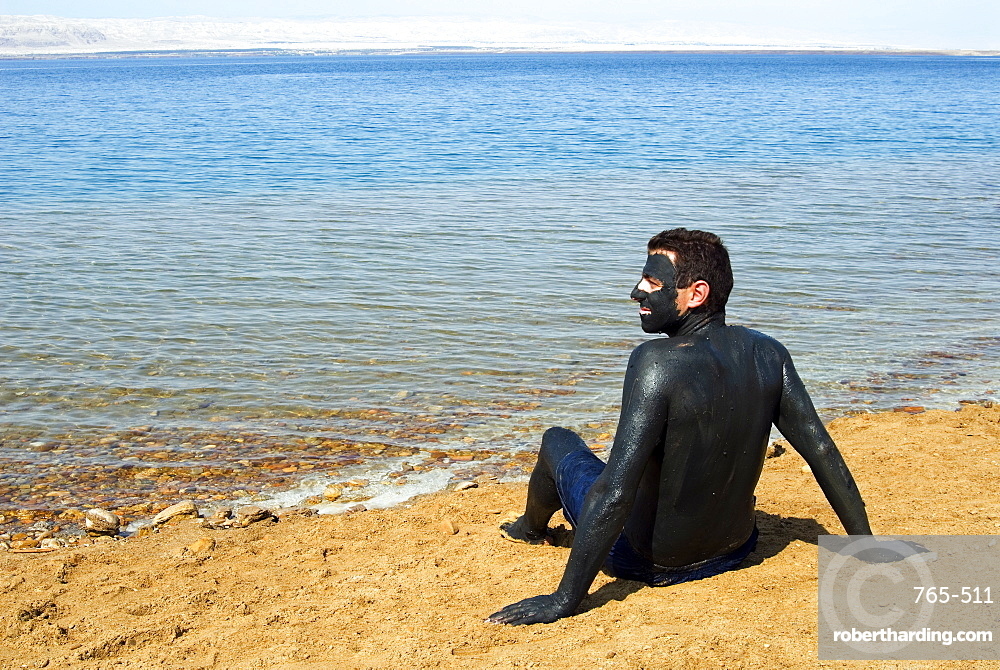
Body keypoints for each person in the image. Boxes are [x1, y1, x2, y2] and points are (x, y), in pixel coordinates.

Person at [487, 228, 876, 626]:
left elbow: (615, 491)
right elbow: (822, 452)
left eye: (653, 283)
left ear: (696, 294)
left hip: (647, 561)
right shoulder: (767, 352)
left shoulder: (656, 362)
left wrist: (563, 599)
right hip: (736, 550)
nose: (637, 292)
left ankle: (529, 529)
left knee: (558, 440)